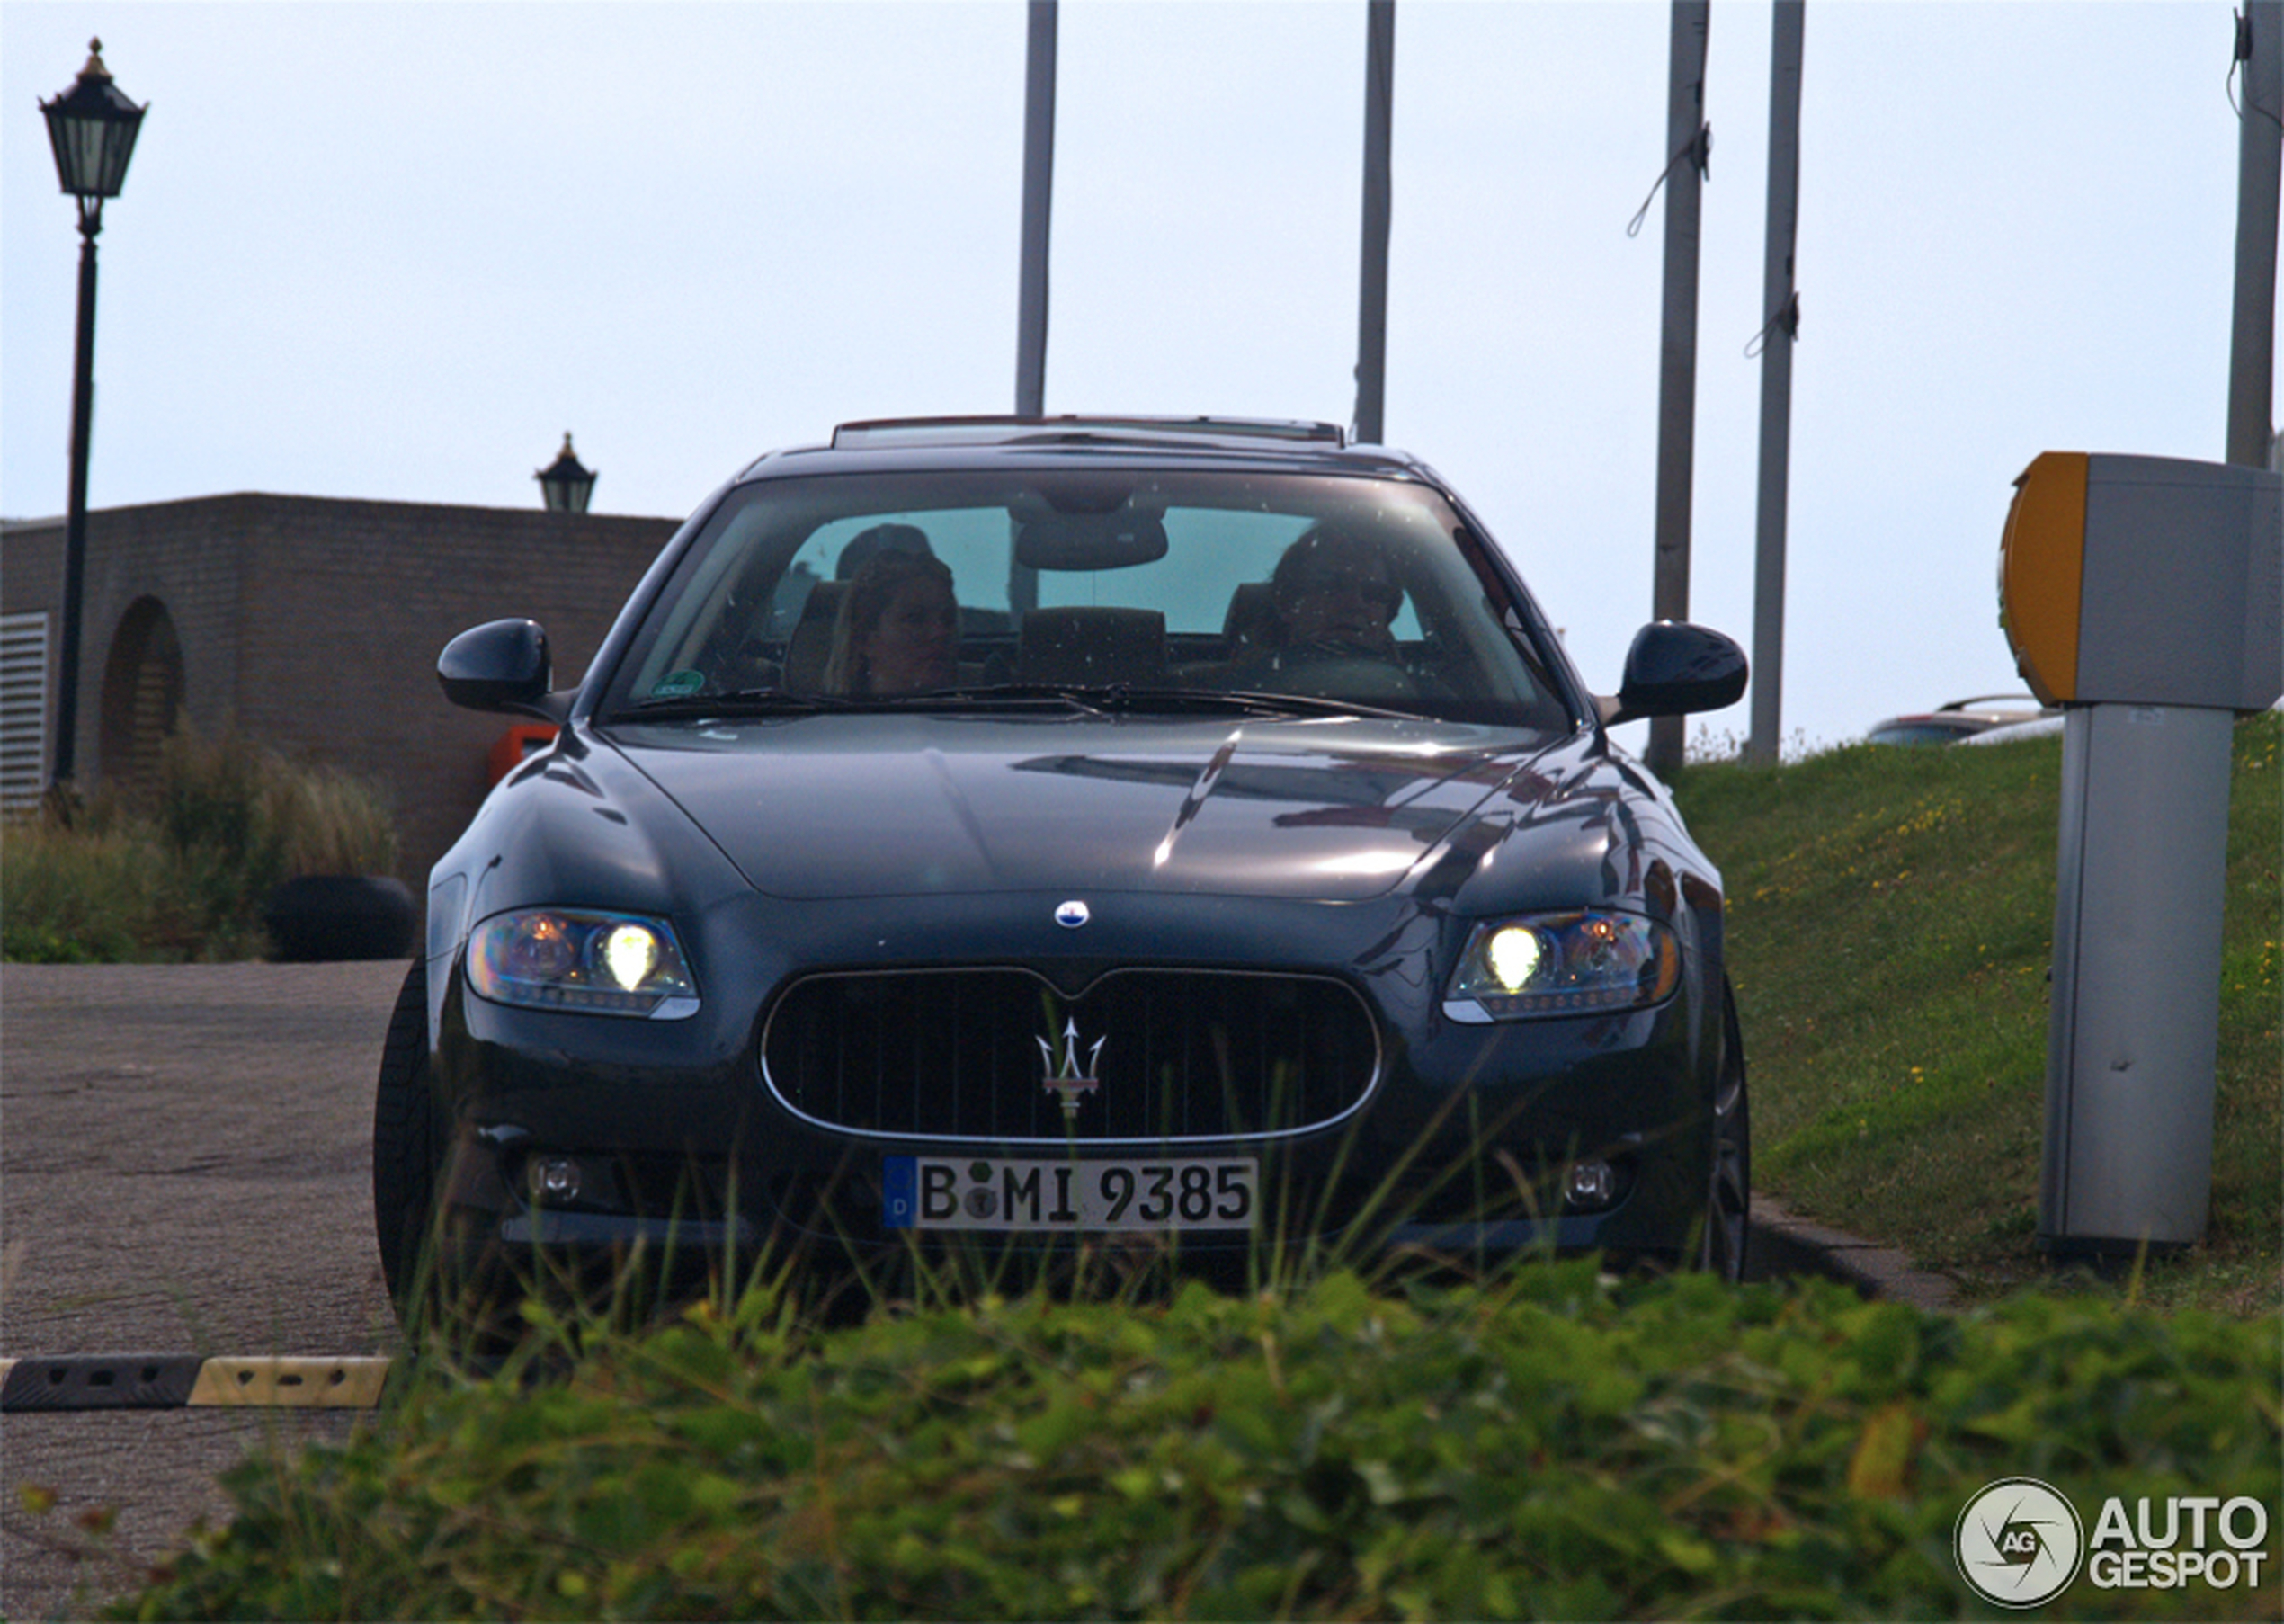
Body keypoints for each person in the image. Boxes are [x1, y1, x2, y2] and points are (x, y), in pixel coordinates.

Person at [820, 549, 959, 695]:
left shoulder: (977, 710)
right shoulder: (831, 716)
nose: (940, 632)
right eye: (915, 619)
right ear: (864, 639)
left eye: (947, 619)